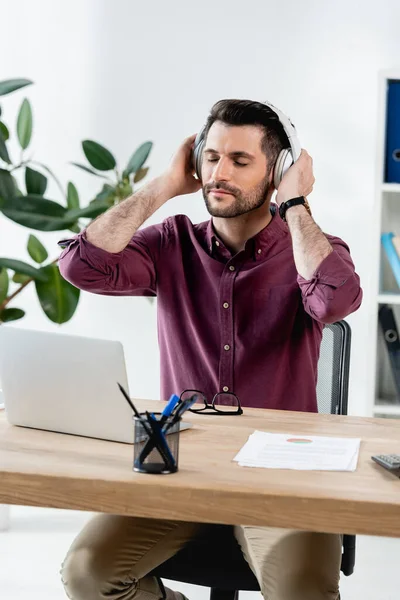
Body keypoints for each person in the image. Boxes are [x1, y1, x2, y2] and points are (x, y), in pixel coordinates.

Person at [58, 99, 362, 600]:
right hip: (181, 470)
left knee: (303, 591)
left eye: (240, 161)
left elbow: (335, 301)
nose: (219, 173)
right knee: (88, 572)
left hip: (281, 476)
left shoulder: (314, 248)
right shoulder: (170, 243)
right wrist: (163, 187)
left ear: (278, 173)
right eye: (212, 157)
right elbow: (81, 267)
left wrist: (295, 206)